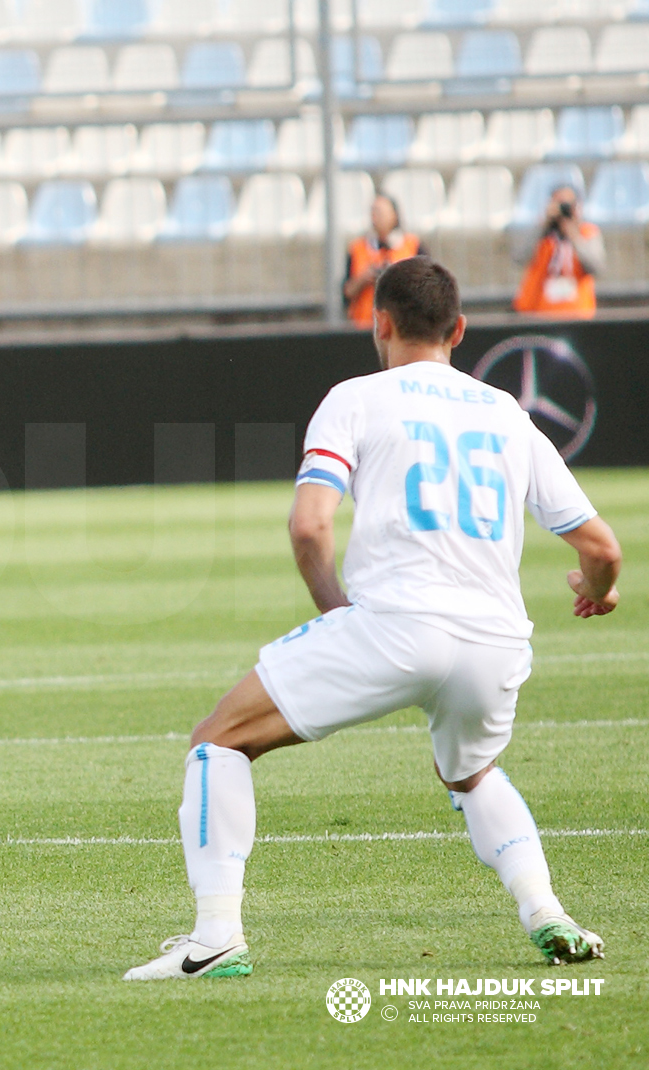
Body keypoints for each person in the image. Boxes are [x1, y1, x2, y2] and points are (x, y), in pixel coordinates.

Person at [125, 257, 620, 981]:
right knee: (473, 773)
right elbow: (601, 548)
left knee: (217, 743)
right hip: (496, 641)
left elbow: (308, 529)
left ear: (378, 322)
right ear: (459, 329)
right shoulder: (507, 414)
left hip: (394, 625)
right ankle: (546, 911)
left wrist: (340, 617)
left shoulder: (356, 397)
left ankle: (215, 938)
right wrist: (597, 589)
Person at [513, 184, 603, 319]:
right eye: (558, 203)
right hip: (537, 313)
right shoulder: (541, 233)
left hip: (577, 313)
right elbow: (519, 258)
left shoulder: (587, 233)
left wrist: (573, 235)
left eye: (567, 204)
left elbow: (596, 267)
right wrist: (543, 226)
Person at [342, 194, 424, 328]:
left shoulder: (413, 246)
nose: (375, 217)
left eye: (380, 212)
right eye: (373, 212)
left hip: (406, 328)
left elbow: (426, 291)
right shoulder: (357, 248)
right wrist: (363, 278)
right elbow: (346, 292)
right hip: (364, 326)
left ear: (394, 215)